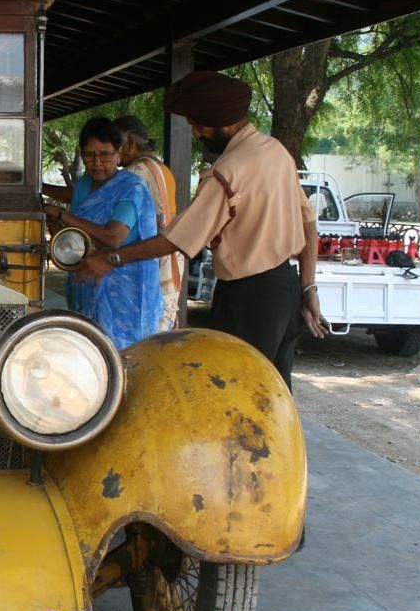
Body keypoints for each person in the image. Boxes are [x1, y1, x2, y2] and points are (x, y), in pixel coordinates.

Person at [76, 71, 327, 387]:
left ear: (223, 121)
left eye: (199, 125)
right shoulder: (275, 151)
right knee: (275, 393)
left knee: (237, 392)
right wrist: (307, 287)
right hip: (285, 289)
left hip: (249, 299)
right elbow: (308, 223)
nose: (196, 134)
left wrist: (110, 259)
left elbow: (176, 240)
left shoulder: (228, 171)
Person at [46, 117, 161, 348]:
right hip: (87, 282)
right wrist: (51, 218)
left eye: (105, 154)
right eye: (89, 155)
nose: (97, 162)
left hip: (126, 294)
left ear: (119, 154)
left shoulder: (131, 187)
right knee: (89, 353)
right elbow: (72, 239)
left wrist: (61, 214)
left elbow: (113, 236)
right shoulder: (83, 185)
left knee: (124, 355)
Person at [114, 115, 183, 331]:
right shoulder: (162, 169)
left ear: (130, 144)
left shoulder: (135, 173)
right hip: (168, 264)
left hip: (148, 264)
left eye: (114, 146)